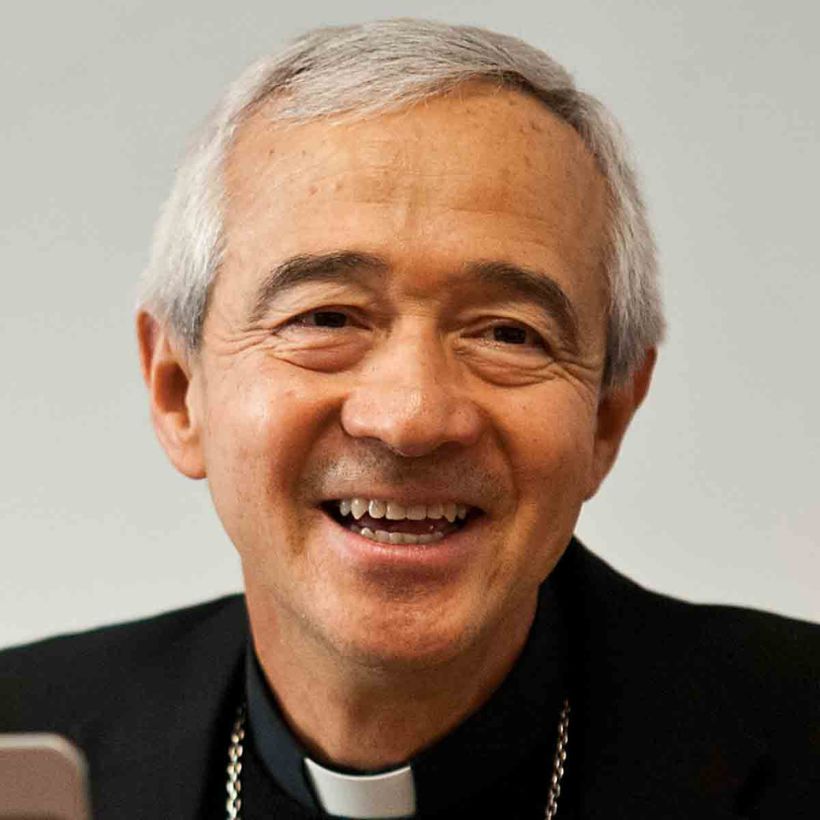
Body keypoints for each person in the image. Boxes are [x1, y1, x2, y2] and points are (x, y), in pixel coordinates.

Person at [1, 19, 817, 819]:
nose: (412, 418)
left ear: (607, 416)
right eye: (326, 318)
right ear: (179, 391)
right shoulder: (24, 735)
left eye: (508, 333)